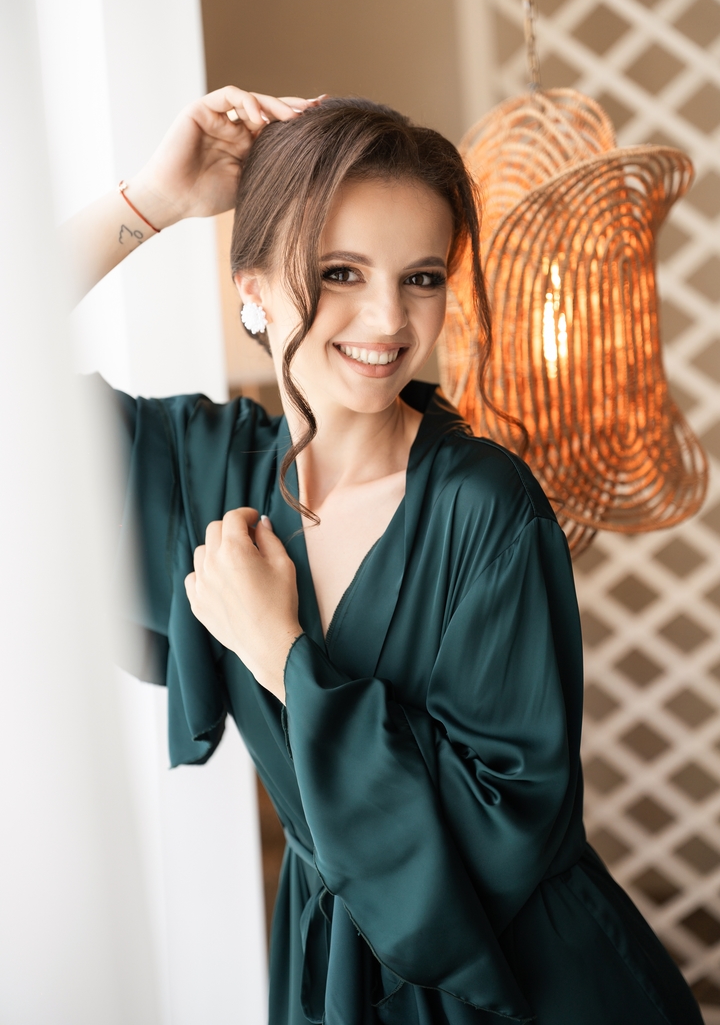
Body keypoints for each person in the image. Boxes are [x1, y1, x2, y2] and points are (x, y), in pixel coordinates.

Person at [65, 86, 703, 1025]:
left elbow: (504, 831)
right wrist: (153, 201)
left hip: (520, 975)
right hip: (328, 971)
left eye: (422, 277)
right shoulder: (204, 476)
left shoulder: (487, 507)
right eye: (340, 272)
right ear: (252, 287)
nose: (387, 321)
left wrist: (280, 653)